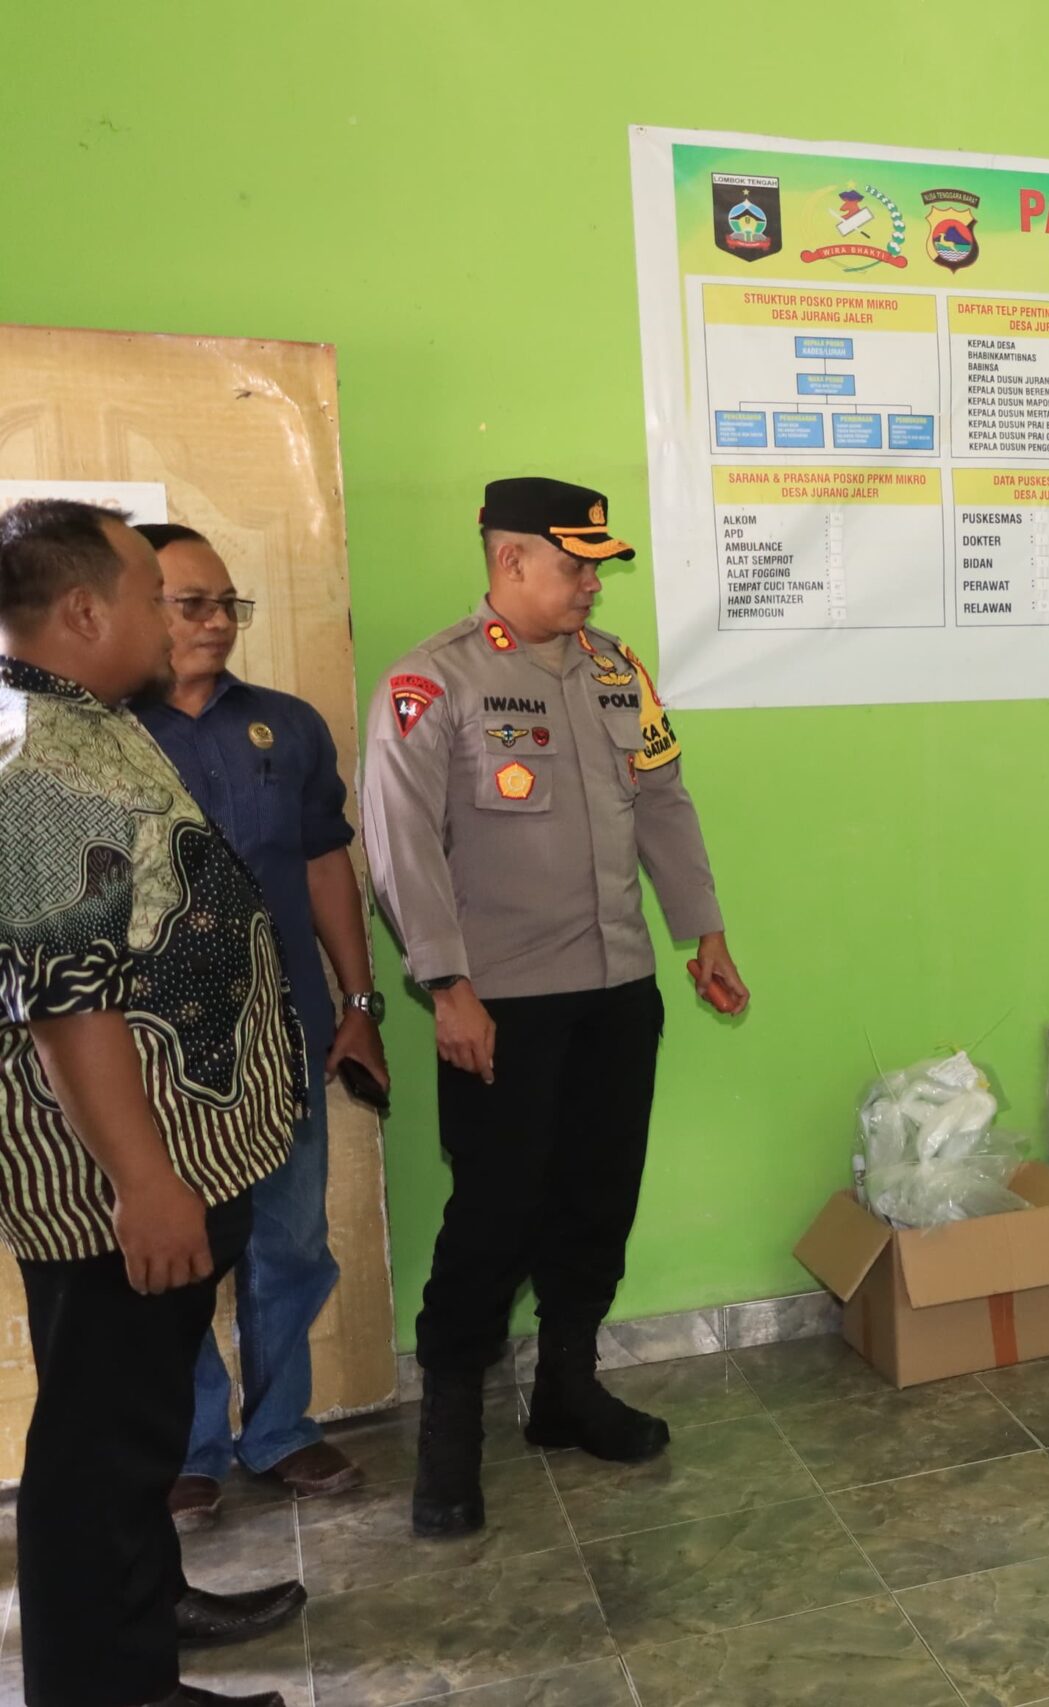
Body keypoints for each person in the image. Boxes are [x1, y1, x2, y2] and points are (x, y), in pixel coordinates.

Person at [360, 478, 748, 1539]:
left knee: (595, 1199)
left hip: (617, 989)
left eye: (597, 568)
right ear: (510, 560)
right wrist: (447, 986)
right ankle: (449, 1431)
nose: (591, 585)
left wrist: (702, 930)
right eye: (575, 565)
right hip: (503, 1004)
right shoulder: (432, 682)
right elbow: (398, 846)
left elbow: (663, 800)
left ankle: (566, 1391)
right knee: (494, 1216)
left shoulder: (619, 671)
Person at [0, 498, 309, 1707]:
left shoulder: (87, 725)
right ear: (84, 611)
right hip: (118, 1183)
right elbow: (67, 997)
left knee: (119, 1438)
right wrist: (146, 1182)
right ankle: (111, 1688)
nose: (173, 621)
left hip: (158, 1157)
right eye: (149, 595)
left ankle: (143, 1623)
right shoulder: (46, 766)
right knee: (101, 1449)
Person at [131, 525, 383, 1532]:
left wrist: (359, 1006)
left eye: (227, 603)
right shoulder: (99, 739)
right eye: (190, 603)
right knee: (176, 1259)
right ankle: (188, 1447)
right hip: (156, 1056)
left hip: (284, 1035)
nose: (216, 622)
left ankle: (279, 1429)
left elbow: (323, 865)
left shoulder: (287, 725)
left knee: (290, 1241)